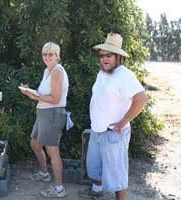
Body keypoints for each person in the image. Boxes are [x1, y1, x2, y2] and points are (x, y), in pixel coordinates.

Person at [78, 33, 148, 200]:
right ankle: (97, 192)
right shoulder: (102, 73)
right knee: (95, 168)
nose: (104, 58)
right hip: (98, 131)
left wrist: (123, 122)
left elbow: (141, 97)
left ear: (118, 57)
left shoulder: (124, 75)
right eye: (101, 55)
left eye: (109, 55)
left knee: (117, 177)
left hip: (113, 133)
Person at [20, 42, 69, 198]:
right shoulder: (47, 71)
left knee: (52, 150)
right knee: (35, 144)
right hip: (43, 113)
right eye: (44, 54)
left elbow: (55, 99)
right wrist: (30, 92)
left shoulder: (57, 71)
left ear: (57, 56)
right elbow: (44, 95)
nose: (47, 57)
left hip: (53, 114)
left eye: (51, 54)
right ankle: (44, 173)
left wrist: (35, 96)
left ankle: (59, 189)